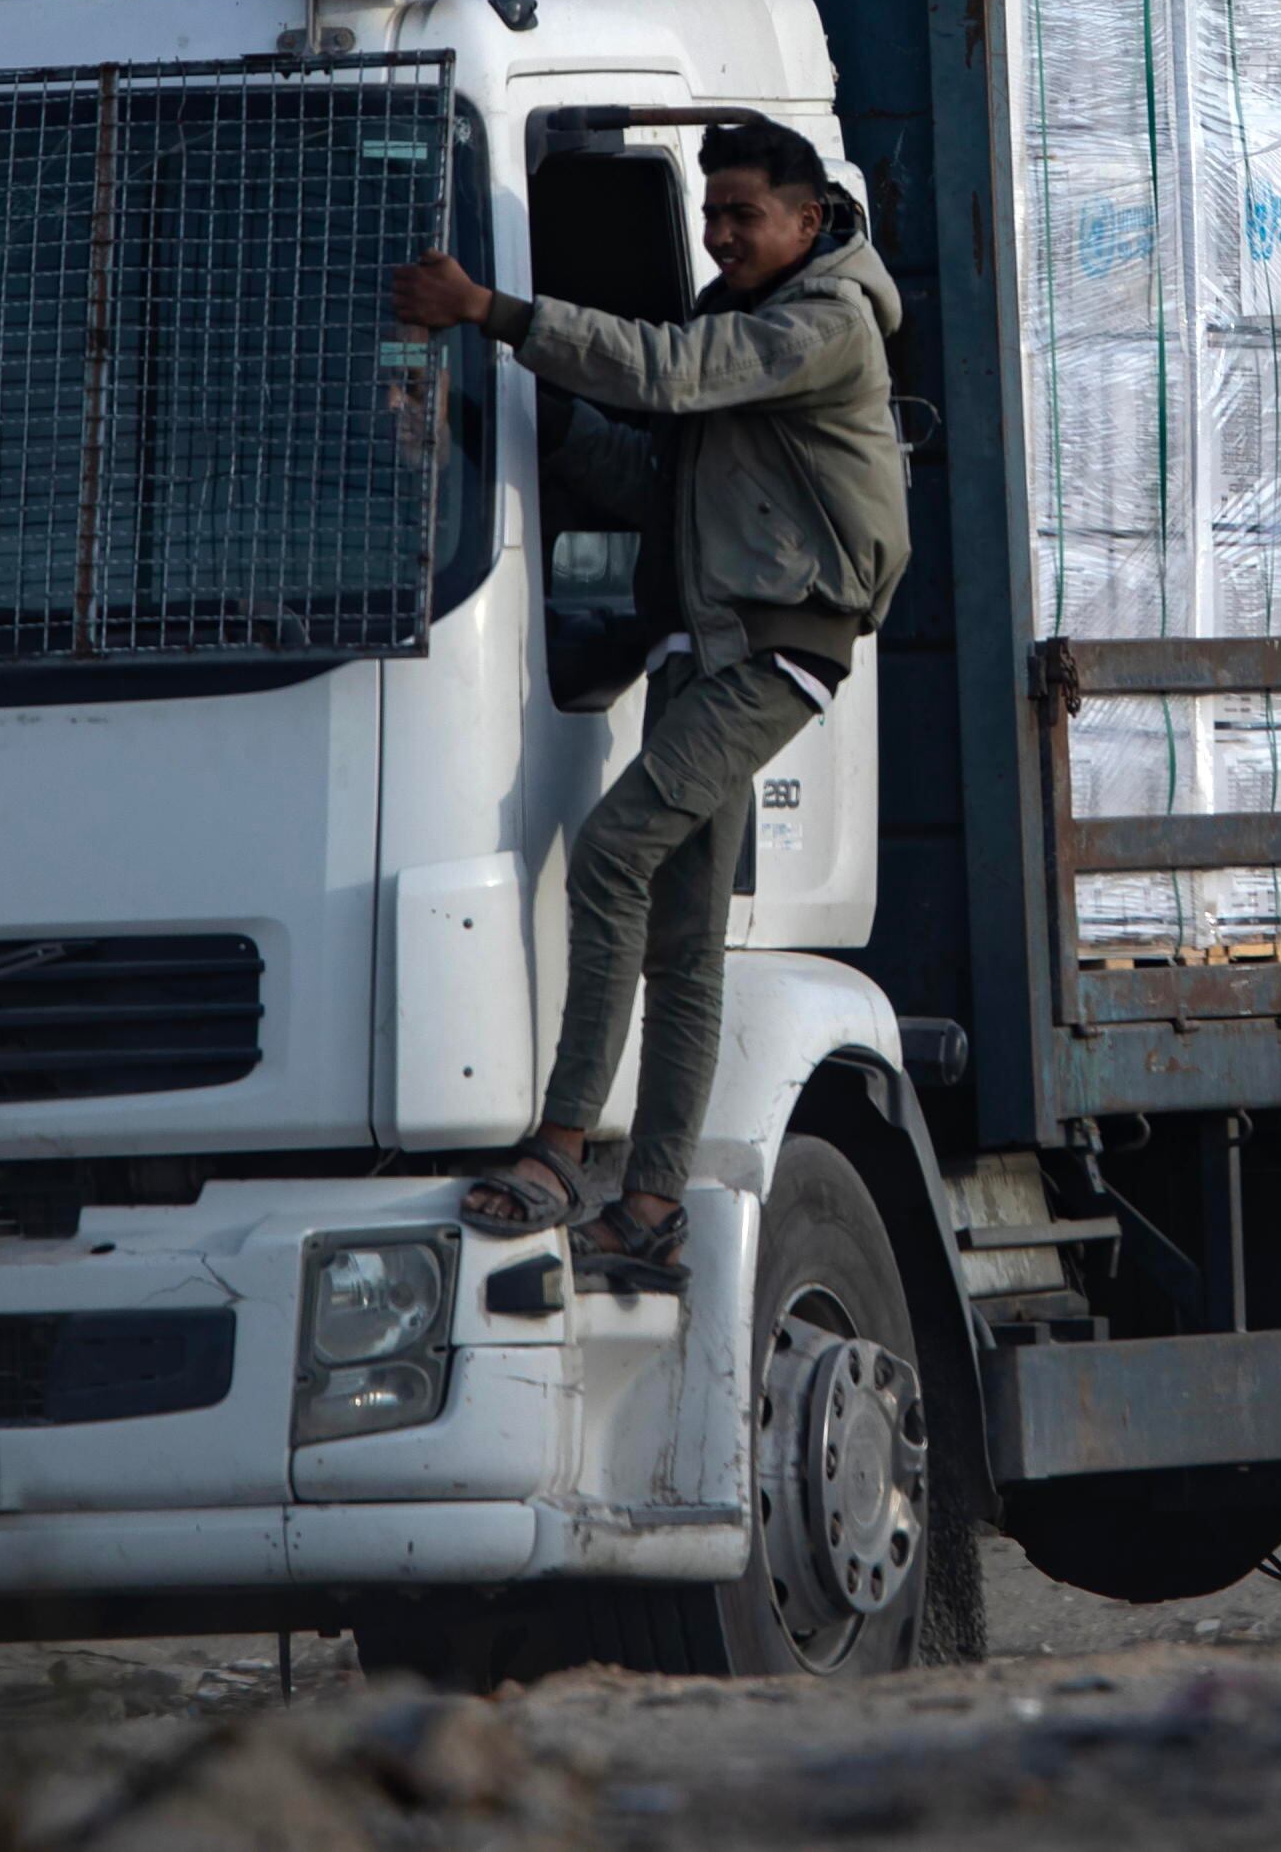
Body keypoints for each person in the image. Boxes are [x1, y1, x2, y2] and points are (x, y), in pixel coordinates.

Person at [387, 118, 908, 1287]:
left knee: (611, 854)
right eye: (709, 215)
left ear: (808, 220)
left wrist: (494, 315)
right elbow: (654, 481)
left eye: (742, 215)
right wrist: (507, 419)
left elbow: (668, 378)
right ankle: (654, 1201)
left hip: (770, 653)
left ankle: (565, 1145)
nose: (719, 235)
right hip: (704, 644)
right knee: (682, 941)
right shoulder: (745, 315)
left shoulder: (819, 324)